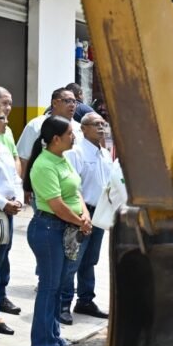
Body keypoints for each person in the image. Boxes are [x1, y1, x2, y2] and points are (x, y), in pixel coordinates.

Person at [24, 116, 90, 346]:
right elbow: (57, 205)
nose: (74, 137)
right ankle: (43, 344)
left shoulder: (62, 159)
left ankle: (54, 336)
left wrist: (85, 214)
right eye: (70, 133)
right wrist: (80, 221)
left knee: (58, 287)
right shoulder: (44, 165)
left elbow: (75, 191)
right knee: (49, 288)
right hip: (48, 229)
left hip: (65, 228)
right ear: (56, 139)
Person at [61, 112, 111, 322]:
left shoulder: (105, 153)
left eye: (103, 124)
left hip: (99, 213)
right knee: (73, 259)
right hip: (81, 213)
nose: (101, 128)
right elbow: (72, 186)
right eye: (96, 124)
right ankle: (63, 303)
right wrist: (81, 214)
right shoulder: (76, 152)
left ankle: (85, 300)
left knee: (90, 260)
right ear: (83, 128)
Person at [0, 106, 22, 337]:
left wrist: (18, 200)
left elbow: (15, 178)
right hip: (1, 209)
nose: (6, 122)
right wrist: (4, 203)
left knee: (0, 262)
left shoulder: (3, 147)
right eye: (1, 118)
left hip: (6, 214)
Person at [17, 88, 82, 161]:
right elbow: (23, 157)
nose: (72, 105)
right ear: (54, 103)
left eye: (74, 102)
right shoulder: (36, 125)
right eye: (68, 101)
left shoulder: (79, 128)